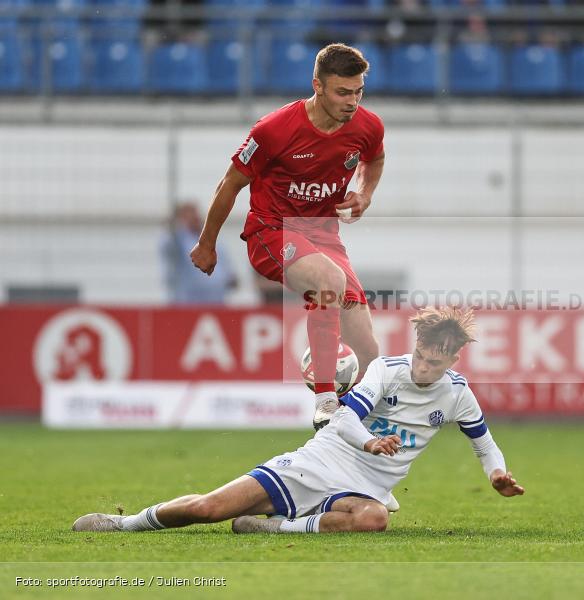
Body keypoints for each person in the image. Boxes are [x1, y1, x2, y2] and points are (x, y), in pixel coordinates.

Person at [72, 306, 525, 535]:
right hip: (317, 465)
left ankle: (275, 527)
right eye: (421, 357)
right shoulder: (388, 370)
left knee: (372, 522)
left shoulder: (458, 394)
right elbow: (344, 419)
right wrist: (369, 443)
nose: (423, 368)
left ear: (453, 358)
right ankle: (126, 523)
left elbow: (483, 443)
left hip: (363, 491)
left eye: (434, 363)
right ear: (417, 347)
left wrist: (497, 473)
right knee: (208, 509)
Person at [188, 43, 384, 430]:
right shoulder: (274, 130)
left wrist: (364, 193)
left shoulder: (367, 126)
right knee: (330, 280)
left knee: (368, 350)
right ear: (318, 86)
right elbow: (230, 185)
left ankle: (358, 424)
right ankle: (325, 399)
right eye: (343, 92)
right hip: (270, 232)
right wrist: (207, 242)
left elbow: (374, 157)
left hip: (323, 236)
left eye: (358, 91)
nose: (352, 101)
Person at [160, 202, 237, 304]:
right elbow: (168, 247)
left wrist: (228, 276)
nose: (195, 217)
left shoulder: (212, 238)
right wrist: (172, 227)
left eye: (195, 213)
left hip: (217, 302)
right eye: (189, 215)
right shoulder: (178, 240)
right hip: (187, 304)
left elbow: (223, 262)